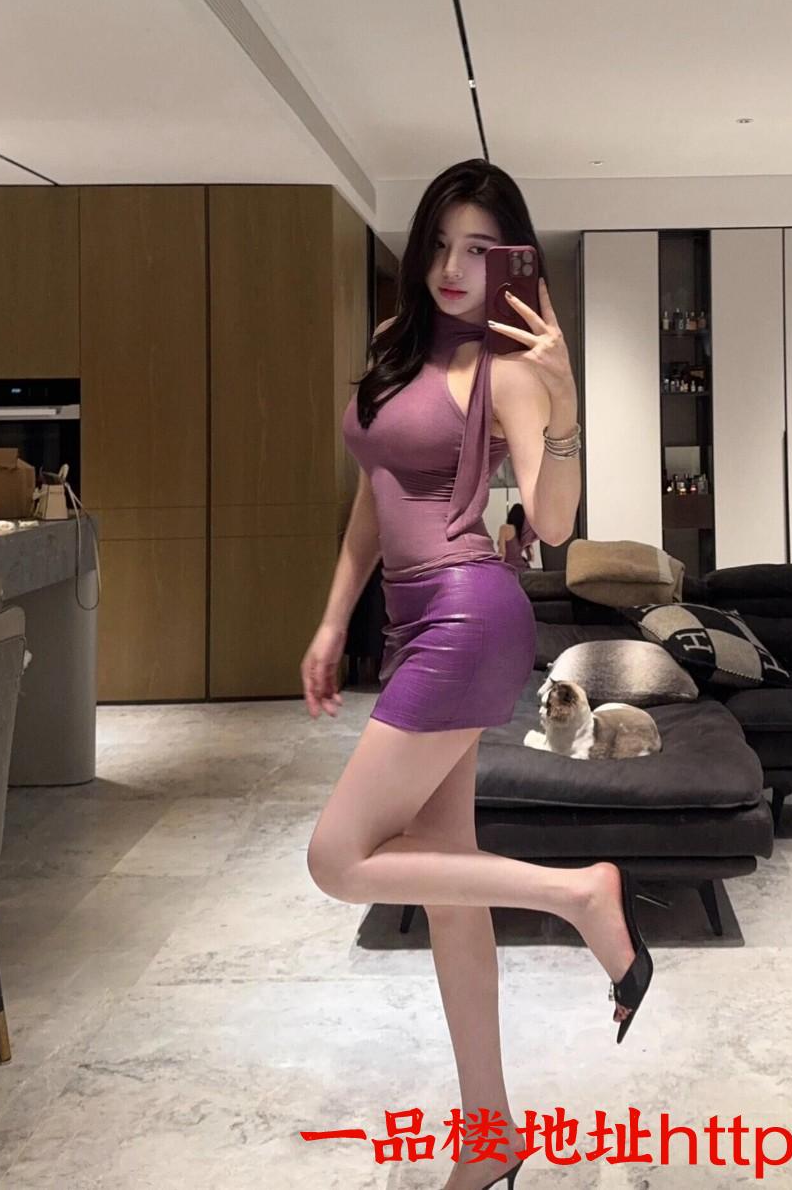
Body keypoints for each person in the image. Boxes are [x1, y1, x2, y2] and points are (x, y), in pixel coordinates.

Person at [301, 158, 653, 1190]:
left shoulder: (512, 371)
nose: (454, 268)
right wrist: (333, 619)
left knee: (337, 859)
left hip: (467, 614)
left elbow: (552, 522)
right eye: (441, 244)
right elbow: (373, 495)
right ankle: (490, 1130)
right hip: (412, 617)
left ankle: (581, 894)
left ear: (511, 263)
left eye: (479, 250)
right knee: (449, 886)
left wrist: (567, 395)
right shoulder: (393, 346)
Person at [496, 501, 537, 570]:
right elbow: (531, 558)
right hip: (523, 568)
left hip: (509, 567)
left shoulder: (505, 528)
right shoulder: (523, 532)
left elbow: (502, 552)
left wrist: (498, 567)